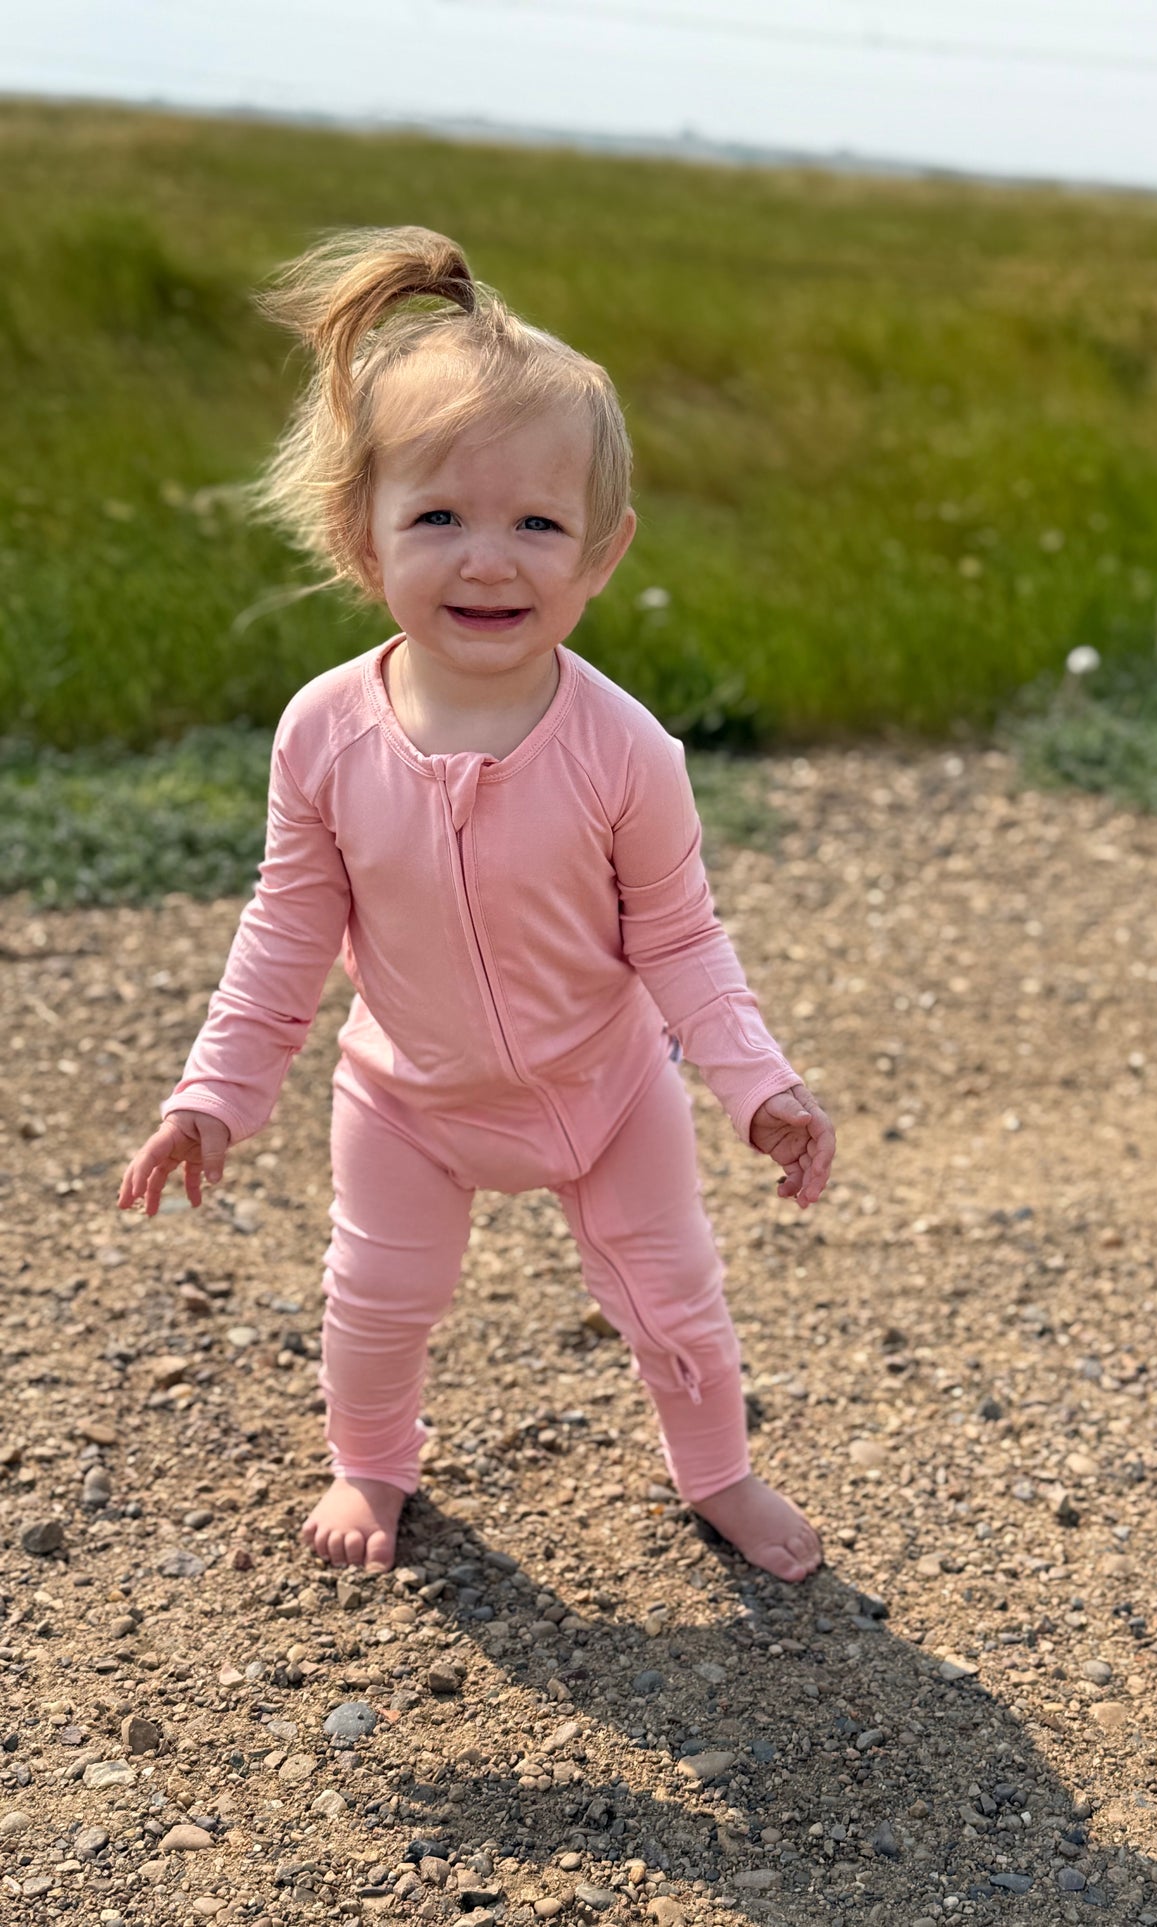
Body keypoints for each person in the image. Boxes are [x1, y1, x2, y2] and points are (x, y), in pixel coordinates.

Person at [116, 225, 835, 1583]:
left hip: (605, 1090)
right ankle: (371, 1462)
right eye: (439, 518)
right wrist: (214, 1094)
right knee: (376, 1298)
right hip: (410, 1097)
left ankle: (718, 1474)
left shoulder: (626, 752)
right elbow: (284, 932)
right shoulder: (325, 732)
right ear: (363, 536)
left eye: (536, 524)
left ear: (603, 554)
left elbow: (681, 936)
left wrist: (759, 1085)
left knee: (673, 1299)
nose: (489, 560)